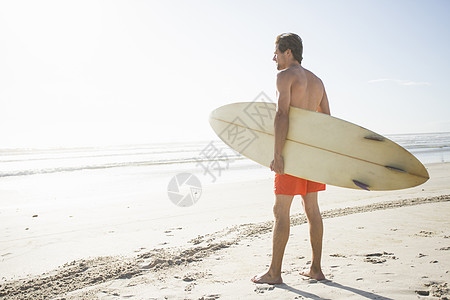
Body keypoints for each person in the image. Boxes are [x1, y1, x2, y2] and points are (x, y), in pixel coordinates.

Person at [251, 33, 331, 285]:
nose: (273, 57)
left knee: (280, 210)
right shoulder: (317, 81)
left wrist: (277, 155)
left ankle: (275, 273)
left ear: (288, 52)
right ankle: (316, 269)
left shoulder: (284, 77)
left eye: (276, 51)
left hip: (292, 154)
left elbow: (281, 115)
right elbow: (326, 119)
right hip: (312, 155)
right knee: (312, 210)